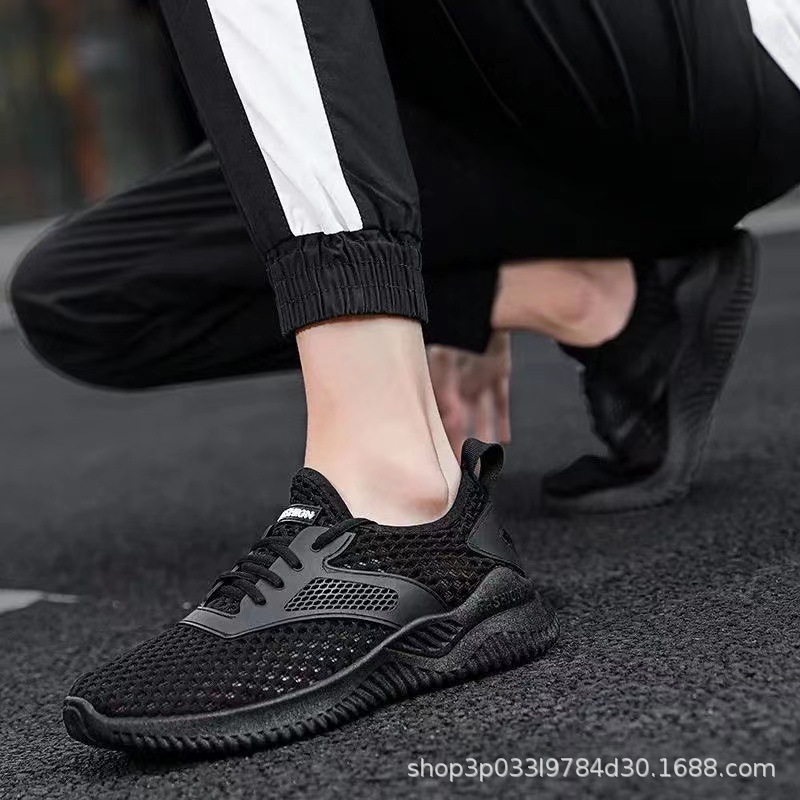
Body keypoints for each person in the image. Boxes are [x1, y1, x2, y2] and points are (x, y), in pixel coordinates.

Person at [9, 0, 800, 755]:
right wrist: (436, 300)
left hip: (700, 70)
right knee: (81, 294)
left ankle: (395, 496)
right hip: (473, 121)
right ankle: (607, 300)